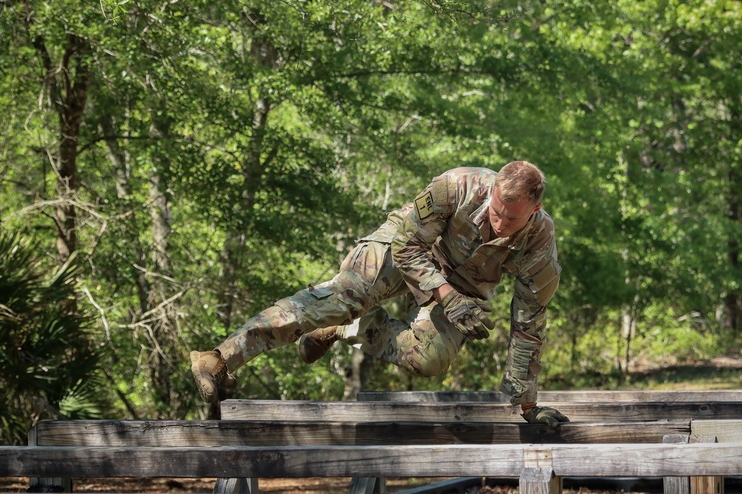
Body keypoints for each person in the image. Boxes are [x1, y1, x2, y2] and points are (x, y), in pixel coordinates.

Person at [190, 161, 568, 426]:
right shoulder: (457, 186)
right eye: (495, 211)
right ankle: (220, 357)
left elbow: (529, 322)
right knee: (341, 299)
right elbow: (407, 246)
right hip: (406, 246)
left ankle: (346, 330)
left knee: (431, 360)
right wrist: (444, 293)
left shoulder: (540, 244)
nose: (498, 223)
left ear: (535, 210)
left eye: (511, 219)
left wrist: (527, 402)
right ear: (493, 192)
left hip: (461, 283)